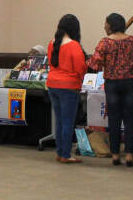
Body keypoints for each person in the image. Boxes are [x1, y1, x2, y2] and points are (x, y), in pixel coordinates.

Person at [86, 13, 133, 167]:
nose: (104, 26)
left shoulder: (104, 43)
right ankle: (129, 155)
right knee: (129, 120)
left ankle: (115, 155)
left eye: (106, 23)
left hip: (112, 83)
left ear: (111, 25)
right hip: (130, 82)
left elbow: (94, 64)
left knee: (113, 119)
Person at [46, 14, 88, 164]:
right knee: (68, 122)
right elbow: (80, 68)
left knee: (59, 121)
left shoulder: (52, 43)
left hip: (52, 84)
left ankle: (59, 152)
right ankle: (66, 155)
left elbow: (51, 63)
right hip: (69, 87)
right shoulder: (74, 45)